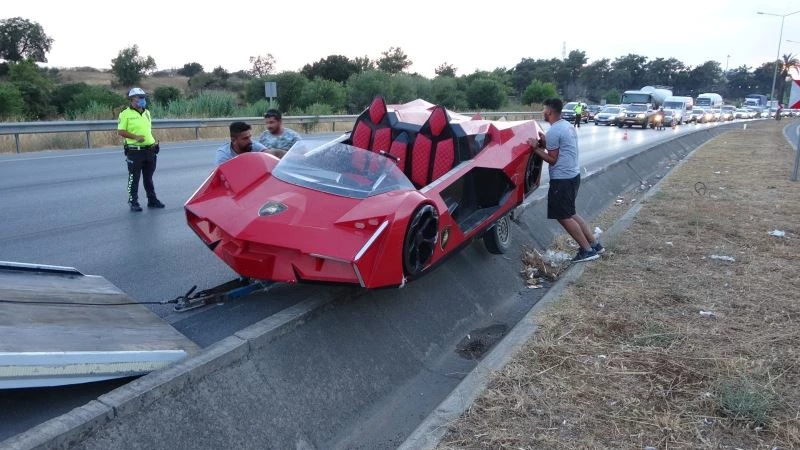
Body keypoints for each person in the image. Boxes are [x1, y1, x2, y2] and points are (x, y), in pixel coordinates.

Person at [527, 98, 603, 262]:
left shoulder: (554, 131)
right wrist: (545, 143)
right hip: (572, 176)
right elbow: (558, 148)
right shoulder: (566, 126)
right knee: (571, 213)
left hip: (562, 179)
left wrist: (535, 148)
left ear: (549, 112)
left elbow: (552, 159)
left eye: (544, 109)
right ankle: (594, 244)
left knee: (563, 216)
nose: (543, 112)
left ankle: (587, 250)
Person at [117, 87, 163, 212]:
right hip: (135, 151)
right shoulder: (125, 114)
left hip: (150, 150)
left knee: (148, 178)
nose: (142, 99)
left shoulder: (147, 112)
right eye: (139, 97)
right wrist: (135, 137)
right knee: (134, 178)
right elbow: (120, 131)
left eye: (143, 97)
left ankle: (152, 200)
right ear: (132, 99)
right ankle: (133, 201)